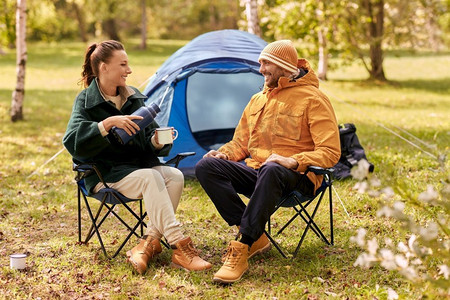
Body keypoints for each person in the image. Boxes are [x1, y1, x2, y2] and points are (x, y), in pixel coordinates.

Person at [195, 40, 341, 284]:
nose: (260, 69)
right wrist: (224, 154)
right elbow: (240, 143)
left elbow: (330, 151)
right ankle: (256, 235)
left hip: (299, 179)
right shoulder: (257, 100)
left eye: (266, 63)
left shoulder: (313, 99)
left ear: (284, 66)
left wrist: (294, 161)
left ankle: (243, 244)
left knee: (274, 168)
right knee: (206, 166)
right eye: (260, 63)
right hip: (262, 175)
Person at [63, 40, 212, 274]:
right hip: (105, 174)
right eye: (123, 64)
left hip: (135, 170)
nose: (129, 70)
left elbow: (150, 138)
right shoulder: (86, 101)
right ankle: (180, 246)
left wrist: (156, 141)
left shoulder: (135, 98)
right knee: (150, 178)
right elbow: (71, 141)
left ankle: (148, 243)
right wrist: (107, 124)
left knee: (174, 176)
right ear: (104, 67)